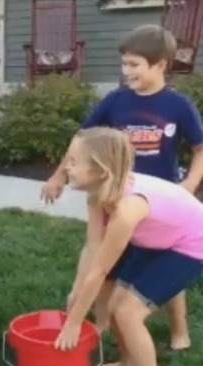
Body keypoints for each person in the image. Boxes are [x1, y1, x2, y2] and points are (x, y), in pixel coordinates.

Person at [41, 24, 203, 350]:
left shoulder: (178, 105)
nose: (125, 71)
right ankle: (103, 328)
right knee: (113, 271)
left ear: (160, 65)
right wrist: (59, 174)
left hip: (158, 204)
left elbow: (200, 149)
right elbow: (81, 141)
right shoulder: (116, 101)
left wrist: (189, 184)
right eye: (124, 63)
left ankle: (178, 332)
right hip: (113, 191)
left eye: (134, 64)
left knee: (159, 271)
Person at [53, 127, 203, 366]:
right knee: (114, 306)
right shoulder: (96, 194)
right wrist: (76, 290)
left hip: (191, 243)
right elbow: (93, 249)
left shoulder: (128, 208)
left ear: (101, 170)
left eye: (73, 162)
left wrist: (73, 323)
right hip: (158, 238)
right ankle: (129, 363)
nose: (66, 168)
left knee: (129, 314)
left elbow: (101, 270)